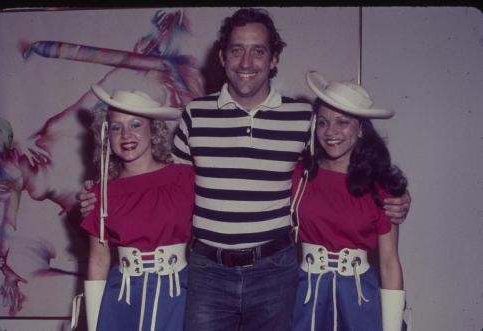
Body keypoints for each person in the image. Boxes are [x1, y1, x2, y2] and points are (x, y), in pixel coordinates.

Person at [79, 8, 411, 331]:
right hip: (207, 272)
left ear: (274, 59)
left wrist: (395, 195)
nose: (247, 62)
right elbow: (163, 183)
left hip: (275, 271)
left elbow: (340, 163)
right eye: (237, 50)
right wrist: (104, 191)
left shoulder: (304, 120)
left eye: (258, 51)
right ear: (222, 57)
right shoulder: (196, 114)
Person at [291, 71, 408, 331]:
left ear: (361, 129)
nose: (330, 131)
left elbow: (389, 262)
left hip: (358, 301)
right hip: (305, 298)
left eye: (342, 122)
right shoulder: (299, 176)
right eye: (322, 122)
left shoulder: (381, 188)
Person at [74, 85, 194, 331]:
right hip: (122, 301)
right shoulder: (100, 193)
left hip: (180, 296)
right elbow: (98, 262)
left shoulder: (185, 178)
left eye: (136, 124)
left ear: (154, 130)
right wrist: (95, 324)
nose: (126, 134)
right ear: (107, 136)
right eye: (116, 127)